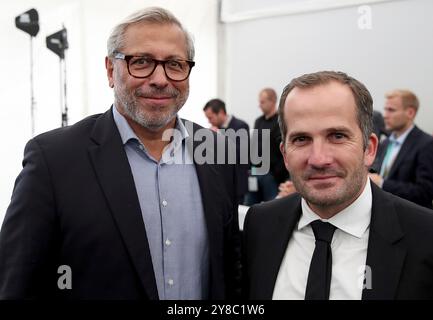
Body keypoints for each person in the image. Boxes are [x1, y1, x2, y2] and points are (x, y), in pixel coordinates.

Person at [0, 7, 241, 300]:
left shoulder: (217, 152)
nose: (160, 79)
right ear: (111, 70)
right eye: (141, 62)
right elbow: (18, 282)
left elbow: (230, 270)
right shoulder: (53, 160)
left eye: (175, 64)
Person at [243, 71, 433, 300]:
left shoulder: (424, 237)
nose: (318, 159)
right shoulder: (260, 225)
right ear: (285, 154)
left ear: (370, 149)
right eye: (301, 139)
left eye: (337, 136)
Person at [370, 90, 433, 209]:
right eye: (385, 109)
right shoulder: (385, 143)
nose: (385, 115)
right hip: (386, 213)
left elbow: (425, 192)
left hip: (412, 219)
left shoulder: (427, 144)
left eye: (391, 110)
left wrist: (382, 183)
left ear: (410, 113)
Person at [245, 88, 289, 205]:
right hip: (256, 171)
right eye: (259, 102)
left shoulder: (281, 121)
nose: (259, 105)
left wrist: (275, 173)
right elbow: (253, 146)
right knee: (250, 206)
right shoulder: (258, 121)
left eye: (262, 102)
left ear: (273, 101)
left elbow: (285, 148)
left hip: (272, 175)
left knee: (272, 207)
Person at [203, 99, 249, 204]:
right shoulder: (216, 129)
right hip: (222, 184)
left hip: (237, 184)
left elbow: (241, 153)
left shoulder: (240, 126)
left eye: (210, 118)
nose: (209, 121)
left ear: (221, 113)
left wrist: (219, 137)